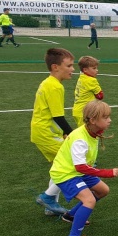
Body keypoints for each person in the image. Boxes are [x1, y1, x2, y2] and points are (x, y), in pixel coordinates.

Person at [51, 100, 118, 236]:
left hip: (79, 171)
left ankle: (71, 215)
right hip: (66, 173)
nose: (110, 120)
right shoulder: (80, 138)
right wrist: (107, 173)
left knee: (103, 190)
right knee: (88, 200)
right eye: (106, 117)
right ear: (93, 120)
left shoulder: (92, 131)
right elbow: (80, 166)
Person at [31, 47, 76, 216]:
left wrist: (64, 134)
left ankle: (51, 206)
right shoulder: (55, 87)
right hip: (46, 133)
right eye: (69, 65)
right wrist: (74, 136)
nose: (73, 69)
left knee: (59, 166)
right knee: (72, 162)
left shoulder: (49, 83)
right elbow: (58, 116)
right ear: (56, 67)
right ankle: (47, 197)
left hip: (45, 132)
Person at [73, 56, 104, 127]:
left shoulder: (81, 77)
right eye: (94, 68)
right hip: (85, 111)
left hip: (77, 110)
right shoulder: (91, 80)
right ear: (85, 70)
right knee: (87, 133)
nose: (97, 70)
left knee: (82, 131)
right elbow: (100, 96)